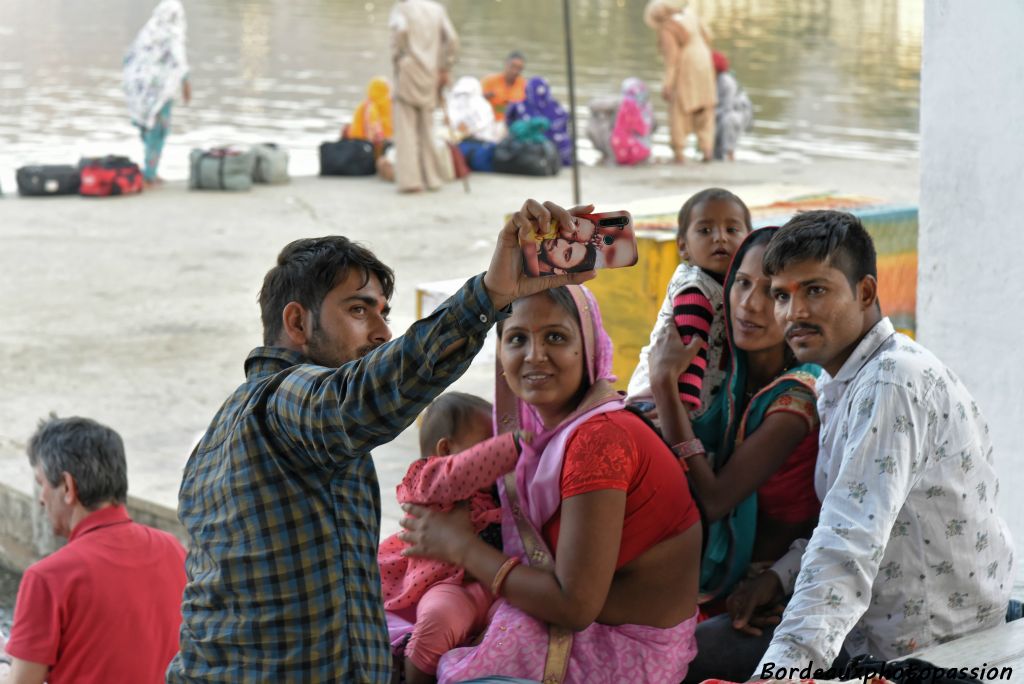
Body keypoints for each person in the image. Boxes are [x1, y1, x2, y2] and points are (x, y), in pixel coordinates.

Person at [166, 200, 594, 683]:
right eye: (358, 309)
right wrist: (490, 294)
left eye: (383, 312)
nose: (382, 331)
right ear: (297, 323)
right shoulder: (285, 402)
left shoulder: (219, 435)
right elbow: (366, 394)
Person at [731, 211, 1014, 677]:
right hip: (875, 634)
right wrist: (780, 577)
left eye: (815, 290)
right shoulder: (839, 384)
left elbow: (849, 542)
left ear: (864, 292)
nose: (793, 313)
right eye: (782, 295)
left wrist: (782, 671)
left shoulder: (892, 381)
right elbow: (854, 515)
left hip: (935, 654)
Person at [399, 281, 704, 683]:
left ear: (590, 347)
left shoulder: (598, 439)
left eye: (555, 337)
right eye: (517, 339)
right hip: (583, 621)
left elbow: (574, 607)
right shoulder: (541, 431)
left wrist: (460, 547)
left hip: (623, 647)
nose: (534, 356)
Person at [648, 228, 823, 683]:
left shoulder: (797, 399)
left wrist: (665, 385)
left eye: (771, 292)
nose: (748, 303)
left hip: (772, 593)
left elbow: (714, 499)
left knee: (676, 665)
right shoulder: (726, 371)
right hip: (715, 580)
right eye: (741, 283)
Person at [4, 416, 186, 684]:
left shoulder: (47, 577)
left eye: (41, 483)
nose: (41, 498)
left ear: (67, 487)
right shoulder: (174, 550)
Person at [378, 392, 523, 684]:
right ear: (445, 450)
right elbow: (458, 473)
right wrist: (516, 443)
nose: (495, 454)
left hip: (500, 584)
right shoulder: (425, 479)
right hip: (450, 586)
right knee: (438, 620)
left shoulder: (499, 491)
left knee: (521, 626)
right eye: (488, 443)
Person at [627, 188, 752, 418]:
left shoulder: (729, 285)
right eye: (705, 230)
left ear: (749, 240)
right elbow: (689, 353)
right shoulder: (695, 290)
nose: (720, 237)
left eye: (732, 229)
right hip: (658, 406)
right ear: (683, 246)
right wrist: (680, 418)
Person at [388, 0, 459, 193]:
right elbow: (451, 39)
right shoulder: (437, 10)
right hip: (431, 73)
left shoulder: (402, 9)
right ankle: (432, 179)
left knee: (406, 128)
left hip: (409, 70)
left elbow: (400, 31)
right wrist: (445, 66)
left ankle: (411, 181)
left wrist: (398, 55)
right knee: (428, 128)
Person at [122, 0, 191, 185]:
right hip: (160, 92)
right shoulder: (172, 35)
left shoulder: (146, 33)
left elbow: (127, 58)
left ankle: (149, 169)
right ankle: (151, 174)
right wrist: (186, 84)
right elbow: (179, 60)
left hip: (138, 91)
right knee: (159, 130)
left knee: (146, 126)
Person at [644, 0, 717, 163]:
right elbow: (708, 36)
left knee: (679, 109)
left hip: (687, 65)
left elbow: (672, 59)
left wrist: (667, 85)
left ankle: (680, 154)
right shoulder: (689, 14)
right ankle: (707, 151)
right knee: (705, 109)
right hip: (705, 61)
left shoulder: (668, 28)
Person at [506, 76, 573, 167]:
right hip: (555, 150)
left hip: (531, 149)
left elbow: (509, 125)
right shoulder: (556, 107)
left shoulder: (518, 106)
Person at [712, 51, 753, 161]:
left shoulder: (727, 82)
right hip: (722, 111)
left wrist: (710, 114)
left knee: (727, 121)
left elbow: (727, 107)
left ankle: (730, 155)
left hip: (736, 112)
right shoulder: (713, 80)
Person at [610, 77, 655, 165]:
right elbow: (644, 129)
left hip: (629, 148)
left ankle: (623, 158)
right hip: (642, 148)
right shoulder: (647, 106)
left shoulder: (625, 105)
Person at [347, 76, 394, 154]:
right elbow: (376, 135)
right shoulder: (374, 108)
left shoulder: (364, 106)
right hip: (369, 152)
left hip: (357, 148)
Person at [447, 76, 501, 143]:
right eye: (461, 94)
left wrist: (468, 130)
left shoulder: (483, 106)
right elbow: (451, 120)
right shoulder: (453, 102)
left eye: (467, 94)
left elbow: (483, 125)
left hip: (481, 142)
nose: (464, 97)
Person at [481, 51, 527, 122]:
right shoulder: (489, 81)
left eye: (519, 68)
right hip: (490, 121)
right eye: (513, 67)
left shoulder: (524, 85)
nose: (515, 71)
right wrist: (485, 97)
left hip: (513, 124)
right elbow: (476, 101)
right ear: (506, 64)